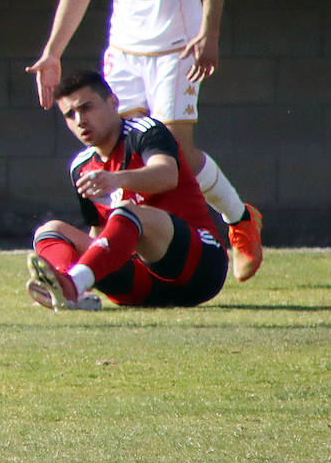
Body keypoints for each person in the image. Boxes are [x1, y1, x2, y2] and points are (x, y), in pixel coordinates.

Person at [27, 0, 263, 282]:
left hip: (177, 48)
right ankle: (138, 246)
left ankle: (239, 221)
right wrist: (53, 51)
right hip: (124, 52)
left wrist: (209, 34)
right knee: (126, 154)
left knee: (176, 156)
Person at [26, 70, 228, 311]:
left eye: (87, 108)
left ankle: (72, 284)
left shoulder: (145, 130)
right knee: (49, 232)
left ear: (113, 103)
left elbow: (167, 174)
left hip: (199, 269)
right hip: (141, 285)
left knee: (126, 211)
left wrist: (116, 179)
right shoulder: (80, 166)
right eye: (70, 114)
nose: (80, 120)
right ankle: (66, 289)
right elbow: (100, 231)